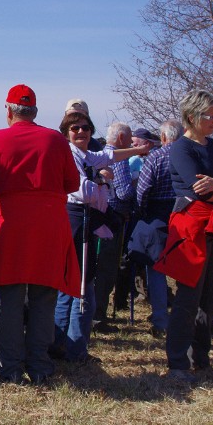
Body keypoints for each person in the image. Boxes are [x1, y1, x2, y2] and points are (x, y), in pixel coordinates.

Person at [0, 85, 80, 385]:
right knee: (44, 298)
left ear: (8, 111)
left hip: (14, 229)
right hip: (51, 229)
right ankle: (40, 367)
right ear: (35, 111)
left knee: (12, 298)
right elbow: (72, 183)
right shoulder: (56, 140)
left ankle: (11, 369)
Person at [155, 90, 213, 382]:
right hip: (192, 231)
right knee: (188, 298)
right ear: (192, 117)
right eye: (211, 116)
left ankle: (200, 358)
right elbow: (199, 191)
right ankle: (178, 361)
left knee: (210, 297)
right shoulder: (181, 149)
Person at [52, 111, 149, 364]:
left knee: (73, 286)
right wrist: (102, 180)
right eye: (75, 128)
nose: (81, 132)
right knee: (82, 287)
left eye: (85, 128)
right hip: (77, 218)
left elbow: (108, 156)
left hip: (84, 218)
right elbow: (81, 190)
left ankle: (61, 345)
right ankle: (74, 350)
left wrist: (137, 151)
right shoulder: (70, 154)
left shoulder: (85, 154)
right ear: (66, 132)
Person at [132, 120, 184, 337]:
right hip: (186, 214)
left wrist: (142, 211)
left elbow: (143, 190)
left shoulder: (156, 157)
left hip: (157, 215)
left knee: (156, 268)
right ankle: (184, 318)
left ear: (163, 137)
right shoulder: (191, 156)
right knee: (186, 270)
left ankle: (161, 319)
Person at [92, 122, 136, 333]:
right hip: (111, 219)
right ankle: (98, 315)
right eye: (129, 137)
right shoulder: (118, 158)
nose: (131, 141)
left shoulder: (101, 155)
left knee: (100, 267)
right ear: (121, 138)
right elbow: (124, 192)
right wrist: (137, 187)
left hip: (100, 217)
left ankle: (96, 313)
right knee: (106, 268)